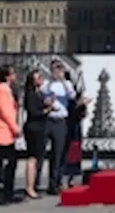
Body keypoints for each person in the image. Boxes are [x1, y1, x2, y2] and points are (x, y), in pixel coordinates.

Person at [0, 65, 21, 205]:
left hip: (5, 131)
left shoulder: (5, 89)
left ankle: (7, 192)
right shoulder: (2, 90)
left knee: (8, 163)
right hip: (1, 131)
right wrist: (15, 128)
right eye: (12, 73)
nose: (15, 76)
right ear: (6, 76)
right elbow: (5, 112)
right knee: (0, 164)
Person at [42, 60, 76, 194]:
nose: (56, 72)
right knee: (45, 152)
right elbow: (44, 94)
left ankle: (56, 182)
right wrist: (51, 81)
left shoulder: (67, 84)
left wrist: (62, 81)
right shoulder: (47, 84)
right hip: (49, 119)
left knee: (58, 153)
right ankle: (43, 182)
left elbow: (72, 96)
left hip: (61, 120)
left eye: (59, 69)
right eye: (54, 70)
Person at [22, 68, 50, 199]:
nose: (41, 80)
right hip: (34, 128)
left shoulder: (39, 93)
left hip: (40, 127)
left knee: (38, 158)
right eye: (38, 78)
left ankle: (32, 185)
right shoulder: (31, 94)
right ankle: (29, 187)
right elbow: (34, 112)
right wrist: (46, 110)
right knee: (32, 158)